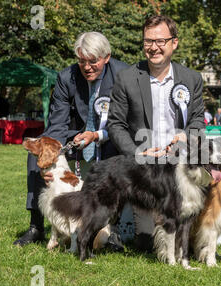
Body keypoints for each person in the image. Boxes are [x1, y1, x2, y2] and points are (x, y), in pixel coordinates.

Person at [13, 31, 128, 247]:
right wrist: (47, 161)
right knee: (34, 156)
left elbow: (128, 121)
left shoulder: (123, 75)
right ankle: (36, 226)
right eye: (81, 61)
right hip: (74, 141)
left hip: (110, 139)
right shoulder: (66, 77)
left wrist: (98, 135)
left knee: (122, 148)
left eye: (93, 61)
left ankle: (113, 230)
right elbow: (56, 124)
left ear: (107, 57)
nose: (86, 67)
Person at [107, 15, 206, 249]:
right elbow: (115, 123)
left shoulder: (192, 79)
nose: (154, 47)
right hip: (145, 171)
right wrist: (137, 153)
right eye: (148, 41)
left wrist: (187, 137)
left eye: (160, 41)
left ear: (174, 43)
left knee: (183, 243)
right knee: (146, 244)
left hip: (179, 168)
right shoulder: (126, 78)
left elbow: (198, 120)